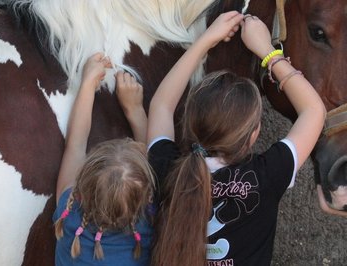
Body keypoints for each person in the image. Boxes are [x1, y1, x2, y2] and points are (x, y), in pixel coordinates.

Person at [148, 11, 326, 266]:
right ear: (254, 134)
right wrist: (267, 50)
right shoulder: (267, 177)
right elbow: (314, 110)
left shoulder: (168, 169)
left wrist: (205, 41)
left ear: (189, 120)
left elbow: (161, 105)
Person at [53, 52, 156, 265]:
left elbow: (75, 145)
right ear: (148, 199)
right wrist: (135, 109)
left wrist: (88, 84)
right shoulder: (151, 228)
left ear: (80, 187)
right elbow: (155, 161)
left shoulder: (69, 215)